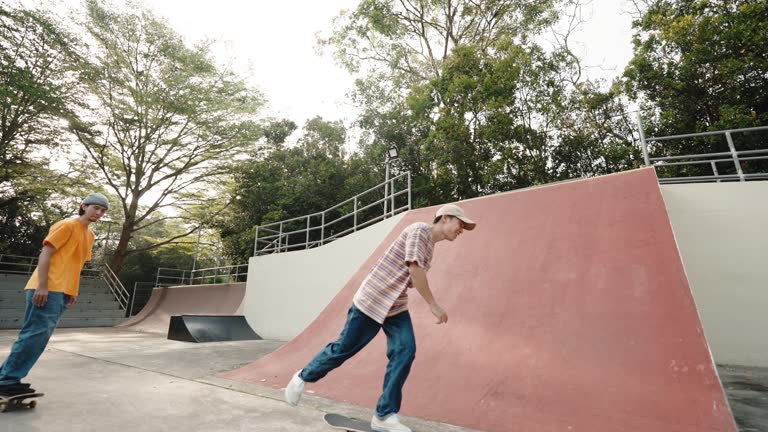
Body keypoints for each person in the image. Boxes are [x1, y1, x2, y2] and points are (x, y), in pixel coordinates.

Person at [284, 203, 476, 432]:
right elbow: (414, 270)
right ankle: (302, 376)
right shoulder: (419, 230)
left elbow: (412, 279)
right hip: (372, 299)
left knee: (405, 350)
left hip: (395, 306)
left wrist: (417, 276)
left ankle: (384, 415)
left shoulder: (429, 249)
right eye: (460, 223)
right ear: (445, 218)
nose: (461, 229)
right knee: (344, 348)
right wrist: (433, 305)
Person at [0, 193, 109, 397]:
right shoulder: (67, 225)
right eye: (95, 208)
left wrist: (72, 291)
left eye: (103, 211)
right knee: (35, 334)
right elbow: (46, 253)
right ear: (83, 206)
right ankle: (7, 380)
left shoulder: (90, 235)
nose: (99, 213)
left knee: (38, 335)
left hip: (63, 291)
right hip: (47, 287)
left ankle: (7, 377)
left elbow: (76, 265)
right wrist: (42, 286)